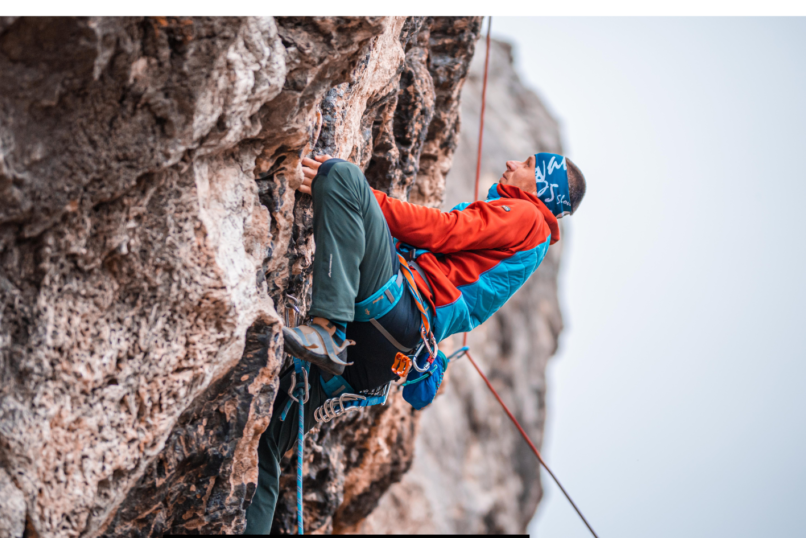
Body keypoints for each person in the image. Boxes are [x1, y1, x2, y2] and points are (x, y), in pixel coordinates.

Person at [243, 152, 586, 534]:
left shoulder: (525, 216)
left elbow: (444, 230)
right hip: (384, 358)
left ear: (542, 185)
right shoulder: (530, 245)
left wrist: (359, 196)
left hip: (397, 309)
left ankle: (328, 329)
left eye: (525, 164)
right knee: (266, 438)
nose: (510, 165)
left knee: (343, 176)